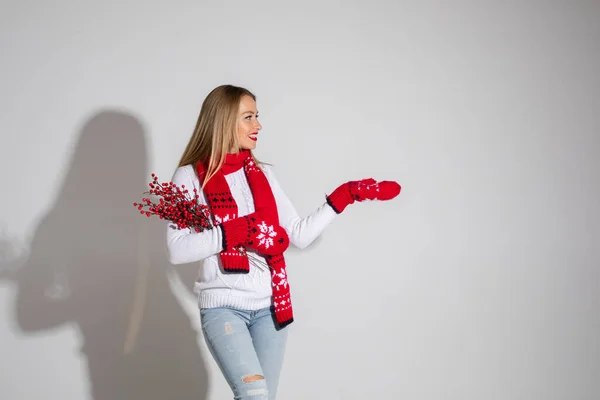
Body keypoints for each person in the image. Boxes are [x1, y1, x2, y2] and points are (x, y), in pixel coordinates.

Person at [166, 84, 401, 400]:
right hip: (223, 307)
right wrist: (236, 231)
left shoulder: (263, 175)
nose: (258, 126)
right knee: (254, 395)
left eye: (257, 117)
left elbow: (298, 236)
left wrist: (345, 195)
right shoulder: (190, 177)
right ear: (223, 121)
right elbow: (177, 250)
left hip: (271, 308)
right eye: (248, 117)